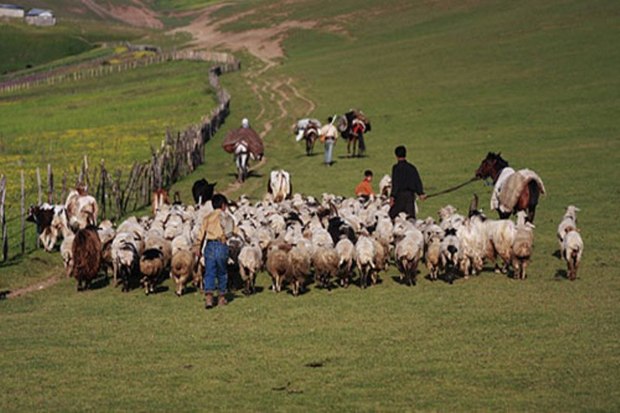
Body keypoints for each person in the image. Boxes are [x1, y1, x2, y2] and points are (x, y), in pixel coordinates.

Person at [194, 194, 236, 309]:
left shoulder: (207, 218)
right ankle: (222, 297)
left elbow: (201, 234)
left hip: (210, 246)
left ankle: (209, 298)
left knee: (209, 271)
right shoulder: (227, 217)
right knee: (222, 272)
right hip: (222, 245)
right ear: (223, 205)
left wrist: (198, 247)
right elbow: (234, 231)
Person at [389, 145, 426, 220]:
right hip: (410, 197)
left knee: (392, 216)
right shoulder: (412, 167)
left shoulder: (396, 168)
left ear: (396, 155)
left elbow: (395, 183)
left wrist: (392, 197)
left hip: (400, 197)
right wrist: (420, 193)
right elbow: (417, 181)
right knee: (411, 218)